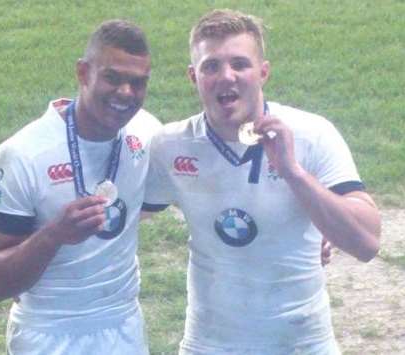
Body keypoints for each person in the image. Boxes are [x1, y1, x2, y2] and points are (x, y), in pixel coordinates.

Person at [143, 9, 381, 354]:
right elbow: (123, 217)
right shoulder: (171, 145)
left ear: (263, 72)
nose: (227, 76)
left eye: (240, 64)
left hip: (301, 343)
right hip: (210, 344)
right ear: (193, 76)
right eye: (211, 66)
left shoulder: (312, 134)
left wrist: (294, 173)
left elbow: (367, 243)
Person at [0, 20, 160, 354]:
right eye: (112, 77)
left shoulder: (147, 133)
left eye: (138, 83)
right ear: (83, 72)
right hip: (47, 332)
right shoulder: (21, 156)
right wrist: (54, 235)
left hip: (124, 326)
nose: (126, 93)